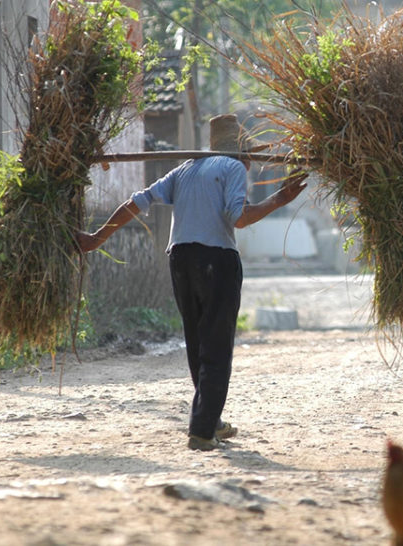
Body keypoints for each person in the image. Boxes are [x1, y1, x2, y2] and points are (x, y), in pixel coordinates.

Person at [75, 114, 308, 451]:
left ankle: (210, 419)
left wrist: (96, 238)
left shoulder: (184, 169)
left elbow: (135, 202)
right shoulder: (233, 169)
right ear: (244, 154)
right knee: (216, 346)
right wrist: (279, 200)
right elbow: (238, 218)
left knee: (198, 342)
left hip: (180, 259)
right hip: (217, 261)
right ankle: (201, 431)